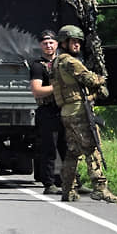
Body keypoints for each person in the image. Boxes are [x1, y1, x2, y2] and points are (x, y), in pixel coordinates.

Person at [52, 25, 117, 203]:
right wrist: (101, 80)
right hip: (78, 111)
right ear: (64, 42)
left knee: (73, 152)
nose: (77, 45)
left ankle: (68, 190)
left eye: (78, 42)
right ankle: (100, 188)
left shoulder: (57, 61)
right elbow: (89, 78)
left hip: (67, 111)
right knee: (92, 149)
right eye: (73, 41)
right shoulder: (70, 62)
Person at [29, 30, 66, 195]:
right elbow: (37, 90)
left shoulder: (64, 63)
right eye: (45, 43)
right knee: (49, 149)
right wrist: (58, 87)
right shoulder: (37, 66)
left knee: (68, 149)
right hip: (47, 112)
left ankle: (73, 182)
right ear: (40, 46)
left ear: (57, 44)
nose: (48, 46)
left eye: (51, 42)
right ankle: (49, 184)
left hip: (65, 110)